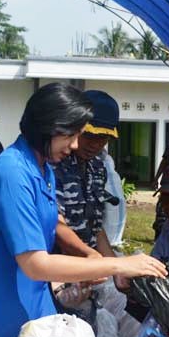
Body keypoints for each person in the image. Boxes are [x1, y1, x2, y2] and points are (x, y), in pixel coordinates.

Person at [0, 83, 167, 337]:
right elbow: (34, 263)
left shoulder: (42, 170)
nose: (75, 145)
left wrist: (74, 272)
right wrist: (116, 265)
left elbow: (50, 223)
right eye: (71, 135)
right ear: (48, 126)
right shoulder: (11, 174)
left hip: (32, 305)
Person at [54, 90, 119, 257]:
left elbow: (95, 228)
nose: (95, 145)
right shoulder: (54, 164)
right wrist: (92, 260)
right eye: (89, 135)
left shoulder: (97, 167)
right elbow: (55, 224)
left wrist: (114, 267)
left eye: (104, 137)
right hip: (56, 265)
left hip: (87, 267)